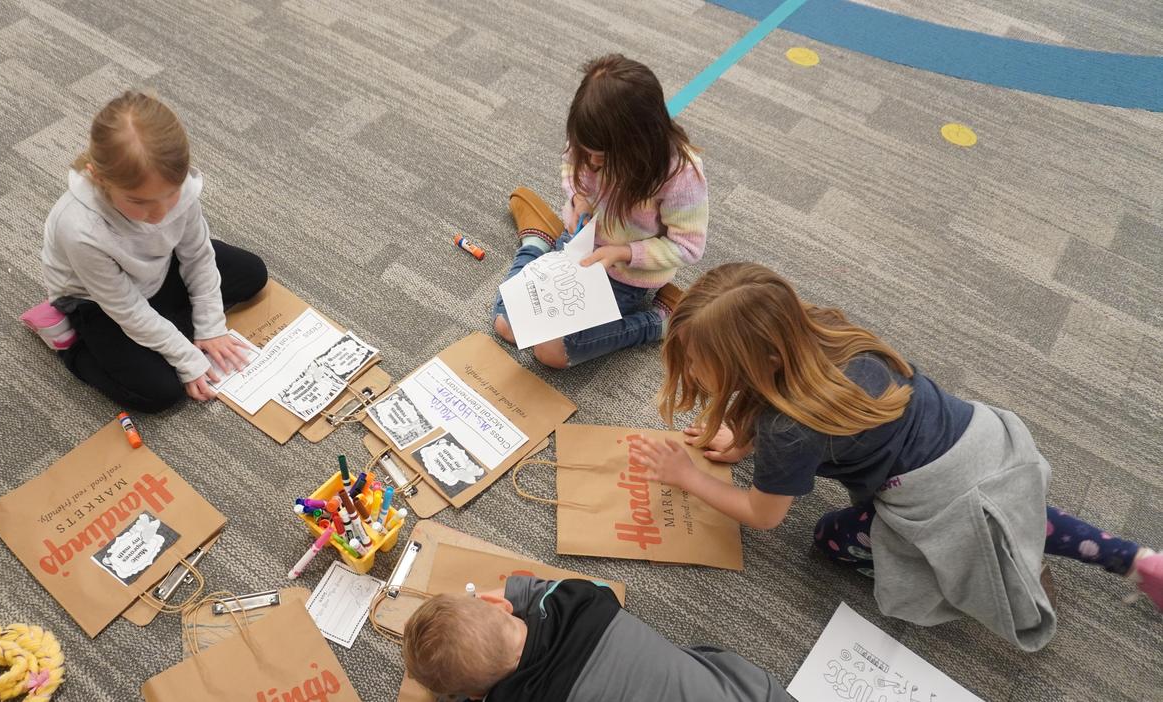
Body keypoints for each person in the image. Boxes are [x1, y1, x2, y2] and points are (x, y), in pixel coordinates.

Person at [630, 262, 1163, 651]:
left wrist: (687, 477)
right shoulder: (825, 330)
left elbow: (763, 515)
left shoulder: (788, 431)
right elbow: (778, 401)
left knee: (828, 538)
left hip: (938, 495)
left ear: (756, 360)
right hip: (983, 440)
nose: (691, 373)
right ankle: (1134, 559)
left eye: (698, 362)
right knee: (1014, 507)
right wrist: (744, 440)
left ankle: (971, 560)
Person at [40, 91, 267, 412]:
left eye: (170, 195)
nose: (160, 214)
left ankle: (164, 327)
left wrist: (211, 326)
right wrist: (186, 356)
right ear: (99, 178)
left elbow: (198, 256)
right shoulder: (80, 229)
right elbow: (126, 309)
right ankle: (74, 348)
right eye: (139, 202)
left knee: (253, 273)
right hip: (96, 301)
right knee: (161, 392)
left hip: (156, 269)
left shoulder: (179, 187)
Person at [493, 54, 708, 368]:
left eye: (603, 158)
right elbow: (571, 167)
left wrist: (623, 253)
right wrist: (577, 198)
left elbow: (688, 246)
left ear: (638, 144)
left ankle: (660, 322)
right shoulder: (592, 135)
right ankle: (535, 241)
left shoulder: (680, 174)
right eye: (587, 152)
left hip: (627, 275)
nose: (592, 163)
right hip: (577, 248)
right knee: (506, 325)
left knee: (551, 352)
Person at [402, 576, 792, 701]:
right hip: (751, 697)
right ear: (499, 605)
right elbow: (605, 591)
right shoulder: (575, 602)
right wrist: (515, 593)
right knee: (704, 664)